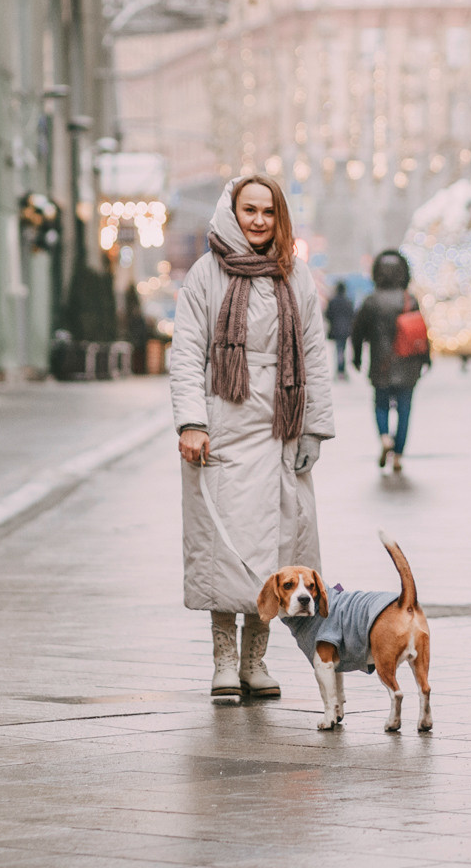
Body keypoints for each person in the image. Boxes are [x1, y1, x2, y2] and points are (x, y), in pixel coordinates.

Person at [170, 175, 335, 700]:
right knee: (225, 546)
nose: (259, 220)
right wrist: (191, 422)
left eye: (268, 211)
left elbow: (314, 355)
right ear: (232, 212)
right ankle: (222, 660)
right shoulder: (206, 273)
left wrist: (313, 426)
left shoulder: (296, 275)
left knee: (275, 549)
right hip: (223, 427)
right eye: (249, 210)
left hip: (280, 430)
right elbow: (186, 352)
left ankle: (254, 660)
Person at [351, 250, 431, 473]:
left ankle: (385, 437)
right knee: (405, 409)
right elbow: (421, 332)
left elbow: (357, 333)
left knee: (380, 405)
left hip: (380, 365)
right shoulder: (410, 299)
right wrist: (427, 359)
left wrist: (356, 358)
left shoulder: (371, 301)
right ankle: (398, 455)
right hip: (408, 365)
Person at [325, 281, 356, 379]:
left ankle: (339, 369)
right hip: (346, 329)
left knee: (338, 350)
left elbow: (327, 314)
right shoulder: (348, 301)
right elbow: (352, 315)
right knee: (343, 349)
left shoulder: (332, 301)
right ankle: (342, 369)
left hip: (335, 329)